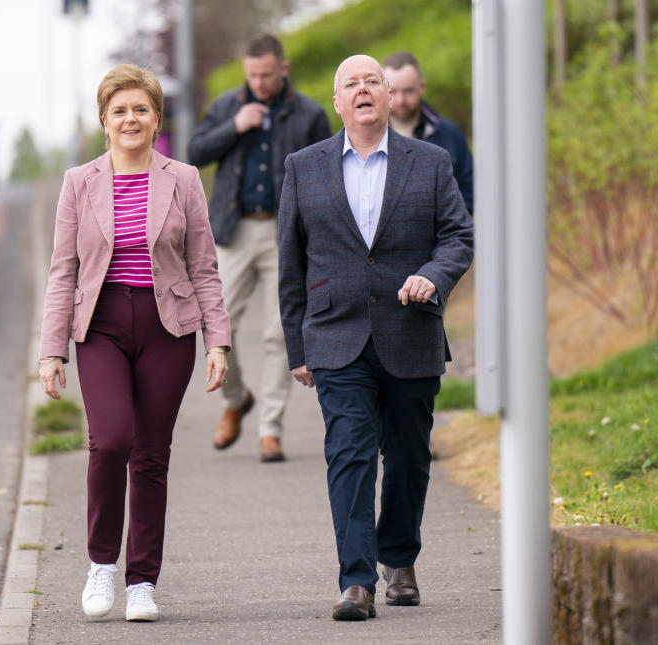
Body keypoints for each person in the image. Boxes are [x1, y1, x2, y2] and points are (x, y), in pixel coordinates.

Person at [277, 55, 474, 621]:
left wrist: (432, 277)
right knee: (349, 454)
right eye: (350, 84)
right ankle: (357, 580)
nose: (362, 90)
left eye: (372, 82)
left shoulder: (432, 162)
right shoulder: (303, 166)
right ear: (336, 103)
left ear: (390, 97)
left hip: (410, 331)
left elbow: (458, 236)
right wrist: (299, 348)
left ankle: (400, 558)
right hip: (335, 335)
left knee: (409, 455)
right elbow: (290, 263)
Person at [38, 64, 231, 623]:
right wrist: (52, 350)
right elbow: (63, 270)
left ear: (156, 119)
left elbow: (204, 267)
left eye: (140, 109)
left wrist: (217, 341)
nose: (130, 119)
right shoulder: (79, 182)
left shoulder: (185, 179)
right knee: (112, 439)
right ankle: (102, 563)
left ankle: (142, 580)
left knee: (151, 453)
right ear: (104, 120)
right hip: (99, 325)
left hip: (167, 326)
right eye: (119, 110)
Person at [188, 33, 331, 462]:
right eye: (253, 74)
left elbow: (327, 175)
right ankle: (236, 402)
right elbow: (194, 151)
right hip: (233, 230)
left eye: (267, 74)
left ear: (282, 69)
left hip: (285, 237)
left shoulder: (309, 114)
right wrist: (235, 126)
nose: (260, 82)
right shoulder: (228, 106)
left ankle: (270, 429)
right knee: (214, 327)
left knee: (279, 334)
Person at [382, 51, 474, 214]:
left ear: (421, 87)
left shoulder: (450, 134)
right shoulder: (368, 138)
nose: (401, 100)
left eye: (408, 91)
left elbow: (471, 191)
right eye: (393, 91)